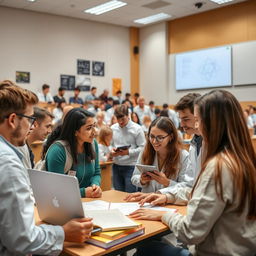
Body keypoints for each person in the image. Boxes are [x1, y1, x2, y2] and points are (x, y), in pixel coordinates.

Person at [130, 90, 256, 256]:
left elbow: (190, 232)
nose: (196, 126)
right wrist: (168, 196)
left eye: (197, 120)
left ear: (212, 123)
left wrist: (163, 216)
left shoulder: (218, 166)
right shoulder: (241, 158)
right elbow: (198, 190)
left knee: (146, 250)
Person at [0, 80, 93, 255]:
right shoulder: (7, 163)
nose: (32, 126)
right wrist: (64, 233)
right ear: (13, 120)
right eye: (30, 119)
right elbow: (22, 239)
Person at [46, 108, 102, 198]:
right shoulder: (58, 151)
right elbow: (57, 188)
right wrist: (83, 192)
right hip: (62, 203)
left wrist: (95, 185)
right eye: (89, 128)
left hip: (89, 201)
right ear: (75, 132)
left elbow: (96, 172)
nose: (94, 132)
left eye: (94, 126)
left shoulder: (92, 143)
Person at [130, 117, 190, 194]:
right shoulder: (145, 152)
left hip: (170, 203)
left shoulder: (184, 156)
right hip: (146, 201)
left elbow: (186, 188)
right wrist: (142, 180)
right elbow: (134, 178)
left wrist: (167, 182)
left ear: (171, 137)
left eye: (160, 138)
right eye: (151, 136)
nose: (154, 141)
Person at [111, 105, 146, 192]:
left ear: (128, 115)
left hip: (131, 167)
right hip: (116, 166)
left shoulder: (137, 129)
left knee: (130, 195)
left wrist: (128, 152)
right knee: (118, 194)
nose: (120, 122)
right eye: (118, 119)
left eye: (123, 119)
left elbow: (143, 148)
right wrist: (111, 150)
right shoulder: (113, 128)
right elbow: (109, 144)